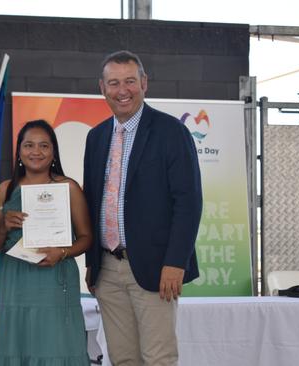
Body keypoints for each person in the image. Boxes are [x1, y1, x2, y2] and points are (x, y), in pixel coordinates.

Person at [83, 50, 203, 366]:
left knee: (158, 358)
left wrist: (176, 262)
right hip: (107, 270)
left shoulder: (171, 132)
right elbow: (92, 201)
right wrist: (92, 264)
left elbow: (188, 203)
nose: (122, 90)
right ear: (102, 88)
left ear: (144, 83)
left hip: (157, 269)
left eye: (129, 81)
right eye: (113, 83)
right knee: (122, 359)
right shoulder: (95, 138)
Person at [0, 119, 92, 365]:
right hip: (16, 278)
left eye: (44, 146)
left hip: (54, 277)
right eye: (29, 145)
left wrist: (62, 253)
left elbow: (87, 238)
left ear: (53, 151)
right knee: (21, 344)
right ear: (19, 152)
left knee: (56, 344)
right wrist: (3, 227)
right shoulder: (5, 189)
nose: (36, 152)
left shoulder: (69, 187)